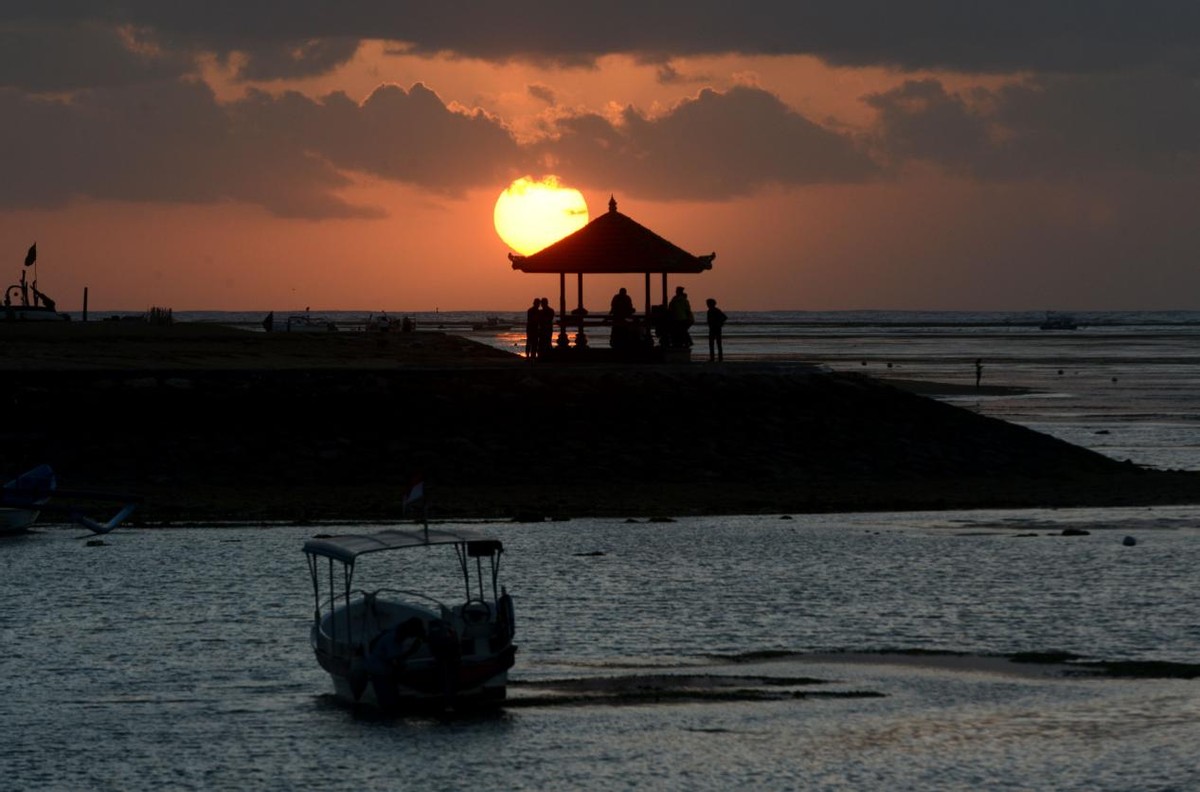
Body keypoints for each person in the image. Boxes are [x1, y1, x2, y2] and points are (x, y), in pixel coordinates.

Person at [705, 298, 727, 362]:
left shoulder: (716, 310)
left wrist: (719, 324)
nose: (707, 305)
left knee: (717, 344)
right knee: (712, 344)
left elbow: (724, 317)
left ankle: (719, 358)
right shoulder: (709, 311)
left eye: (708, 303)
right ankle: (713, 358)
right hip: (712, 328)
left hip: (716, 328)